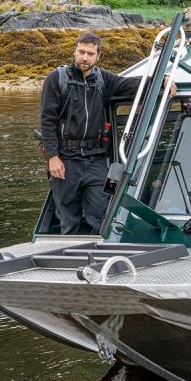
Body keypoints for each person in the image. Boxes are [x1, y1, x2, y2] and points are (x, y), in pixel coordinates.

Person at [38, 32, 172, 235]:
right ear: (74, 51)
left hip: (95, 160)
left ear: (98, 56)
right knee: (68, 217)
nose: (85, 57)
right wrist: (53, 157)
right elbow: (47, 120)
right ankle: (69, 259)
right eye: (81, 52)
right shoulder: (56, 79)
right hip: (65, 159)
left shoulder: (104, 80)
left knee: (102, 213)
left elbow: (133, 85)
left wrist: (163, 79)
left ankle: (99, 257)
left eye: (90, 53)